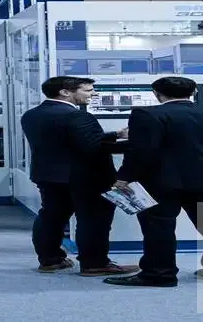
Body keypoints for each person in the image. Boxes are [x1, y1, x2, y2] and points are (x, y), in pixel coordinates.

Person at [104, 76, 203, 287]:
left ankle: (159, 274)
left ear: (157, 94)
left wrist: (125, 177)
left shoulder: (146, 115)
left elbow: (141, 151)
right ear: (193, 93)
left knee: (158, 228)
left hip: (159, 184)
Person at [20, 76, 138, 276]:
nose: (93, 94)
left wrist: (116, 135)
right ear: (65, 92)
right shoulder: (79, 116)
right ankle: (95, 264)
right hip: (86, 178)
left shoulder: (32, 115)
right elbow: (93, 147)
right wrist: (138, 144)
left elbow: (67, 141)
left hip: (49, 175)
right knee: (93, 220)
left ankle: (50, 260)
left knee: (51, 217)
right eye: (88, 90)